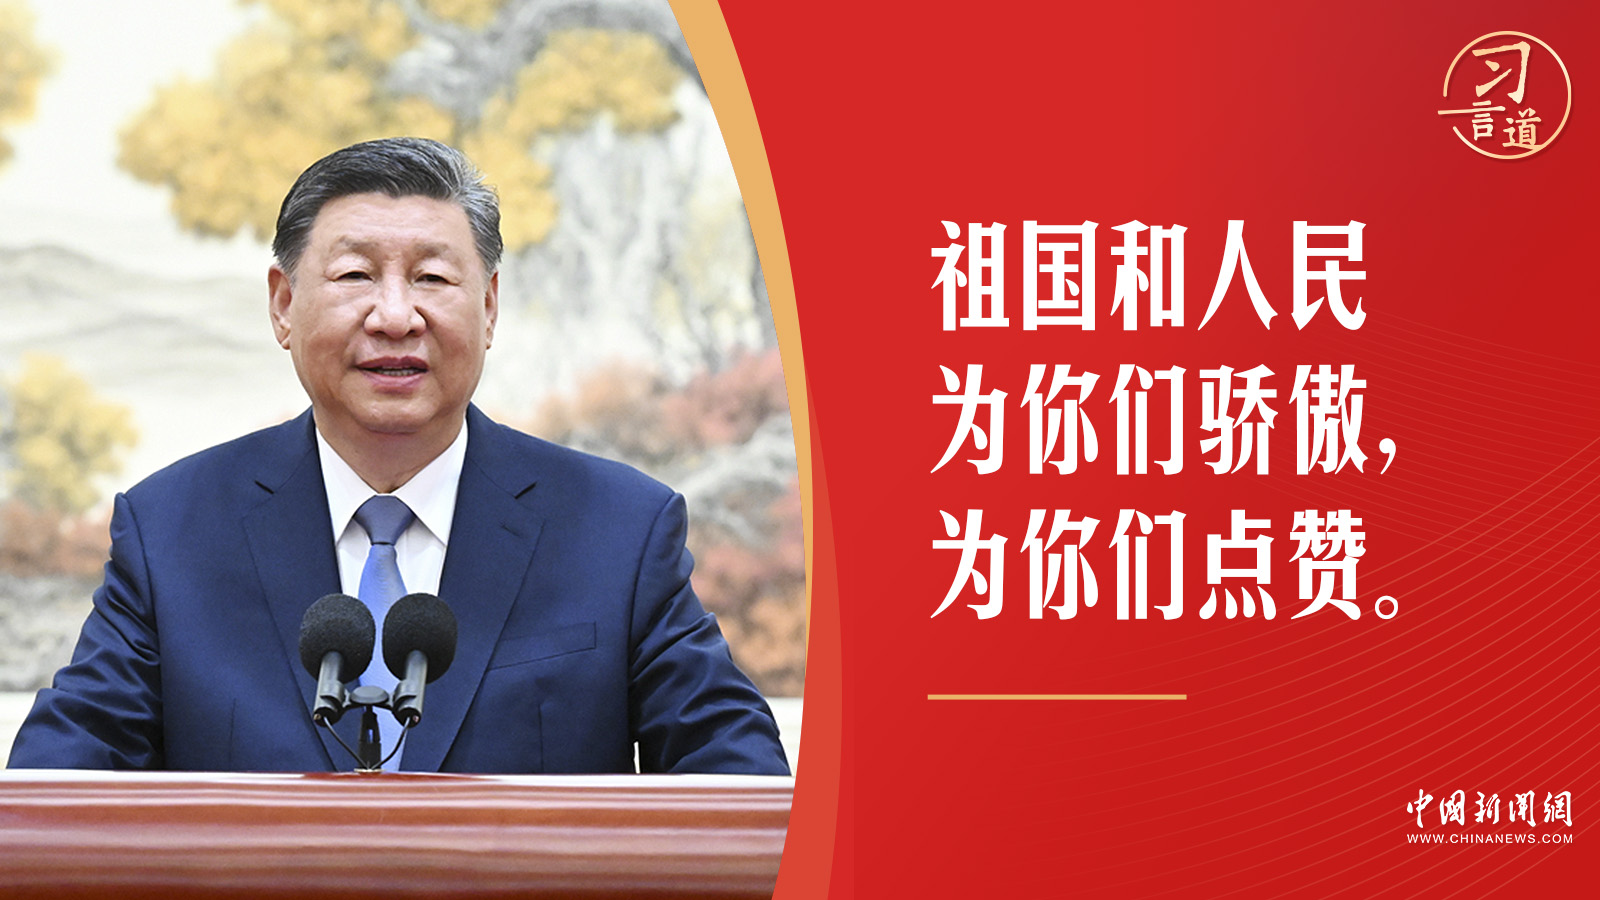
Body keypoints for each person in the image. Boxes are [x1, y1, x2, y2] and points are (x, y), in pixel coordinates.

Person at [7, 138, 789, 775]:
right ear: (283, 304)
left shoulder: (618, 529)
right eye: (355, 275)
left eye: (431, 278)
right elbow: (56, 792)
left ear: (488, 307)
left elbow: (740, 787)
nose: (394, 315)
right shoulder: (172, 530)